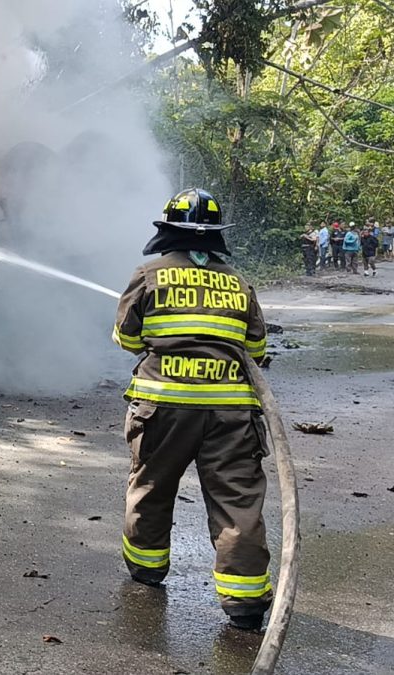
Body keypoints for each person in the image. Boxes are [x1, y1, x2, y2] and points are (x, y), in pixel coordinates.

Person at [112, 188, 272, 632]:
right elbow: (255, 348)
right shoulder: (238, 282)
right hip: (231, 413)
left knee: (151, 487)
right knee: (238, 501)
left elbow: (126, 340)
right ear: (215, 238)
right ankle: (244, 603)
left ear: (168, 231)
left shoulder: (148, 274)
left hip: (161, 407)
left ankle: (147, 569)